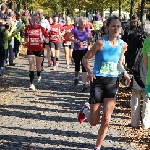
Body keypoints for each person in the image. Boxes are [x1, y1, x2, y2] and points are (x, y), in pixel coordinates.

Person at [78, 16, 130, 150]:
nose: (116, 28)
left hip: (112, 82)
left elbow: (119, 63)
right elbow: (85, 59)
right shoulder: (100, 43)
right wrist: (89, 72)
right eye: (113, 26)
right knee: (94, 122)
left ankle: (97, 146)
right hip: (98, 81)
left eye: (118, 26)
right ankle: (85, 109)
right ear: (107, 27)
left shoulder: (123, 45)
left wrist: (124, 73)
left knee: (106, 119)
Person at [66, 17, 92, 91]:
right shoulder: (75, 29)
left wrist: (90, 39)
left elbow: (90, 37)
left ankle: (84, 84)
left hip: (85, 50)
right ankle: (76, 78)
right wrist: (74, 40)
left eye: (84, 22)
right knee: (77, 66)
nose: (82, 23)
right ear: (78, 22)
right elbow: (67, 37)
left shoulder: (87, 29)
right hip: (77, 50)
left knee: (84, 66)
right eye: (81, 22)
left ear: (86, 23)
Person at [24, 13, 49, 90]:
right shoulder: (28, 28)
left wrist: (43, 41)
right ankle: (31, 83)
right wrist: (25, 41)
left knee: (38, 67)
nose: (35, 21)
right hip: (30, 48)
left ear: (39, 20)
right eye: (33, 20)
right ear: (31, 20)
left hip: (39, 49)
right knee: (31, 65)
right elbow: (25, 36)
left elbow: (47, 38)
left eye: (36, 20)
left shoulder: (41, 29)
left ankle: (38, 73)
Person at [141, 35, 150, 129]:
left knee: (148, 100)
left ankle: (145, 123)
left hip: (149, 77)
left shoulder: (147, 41)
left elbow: (146, 63)